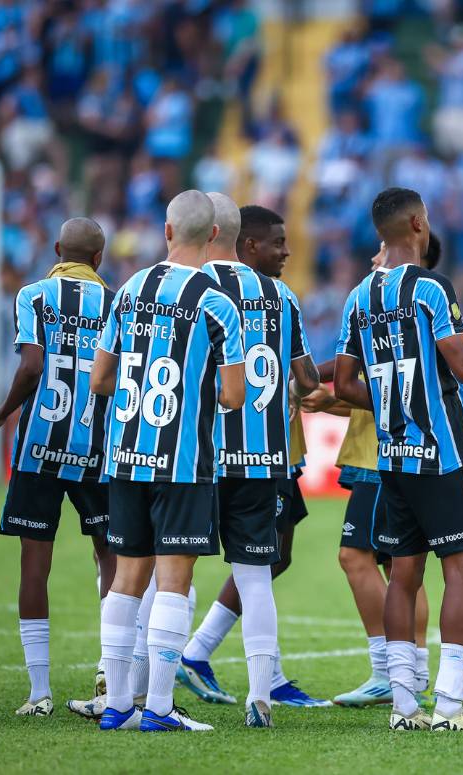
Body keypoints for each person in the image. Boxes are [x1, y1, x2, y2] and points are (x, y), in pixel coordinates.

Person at [333, 187, 463, 732]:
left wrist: (394, 401)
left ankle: (403, 704)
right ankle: (449, 704)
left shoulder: (358, 295)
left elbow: (345, 383)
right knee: (462, 573)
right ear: (418, 223)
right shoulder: (432, 288)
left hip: (391, 455)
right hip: (442, 455)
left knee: (403, 576)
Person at [91, 190, 245, 733]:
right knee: (173, 582)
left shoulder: (130, 288)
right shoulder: (216, 300)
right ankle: (158, 708)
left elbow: (100, 380)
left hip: (125, 455)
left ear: (166, 232)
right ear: (212, 238)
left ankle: (115, 707)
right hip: (182, 462)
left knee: (125, 581)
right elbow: (232, 396)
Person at [177, 205, 332, 709]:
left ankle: (140, 690)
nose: (287, 252)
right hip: (263, 456)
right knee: (258, 571)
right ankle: (261, 693)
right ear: (243, 242)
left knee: (168, 571)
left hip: (194, 457)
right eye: (278, 242)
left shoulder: (188, 289)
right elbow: (308, 381)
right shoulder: (281, 297)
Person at [0, 217, 116, 717]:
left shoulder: (33, 296)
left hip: (40, 445)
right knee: (110, 556)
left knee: (35, 562)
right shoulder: (117, 301)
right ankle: (109, 671)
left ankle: (39, 693)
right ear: (98, 259)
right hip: (98, 447)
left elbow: (33, 365)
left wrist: (1, 412)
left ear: (57, 249)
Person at [324, 240, 434, 708]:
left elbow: (367, 380)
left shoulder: (392, 311)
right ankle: (415, 666)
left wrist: (315, 382)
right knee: (401, 563)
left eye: (381, 252)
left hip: (379, 455)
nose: (373, 262)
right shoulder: (410, 311)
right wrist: (328, 396)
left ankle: (387, 670)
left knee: (356, 556)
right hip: (388, 450)